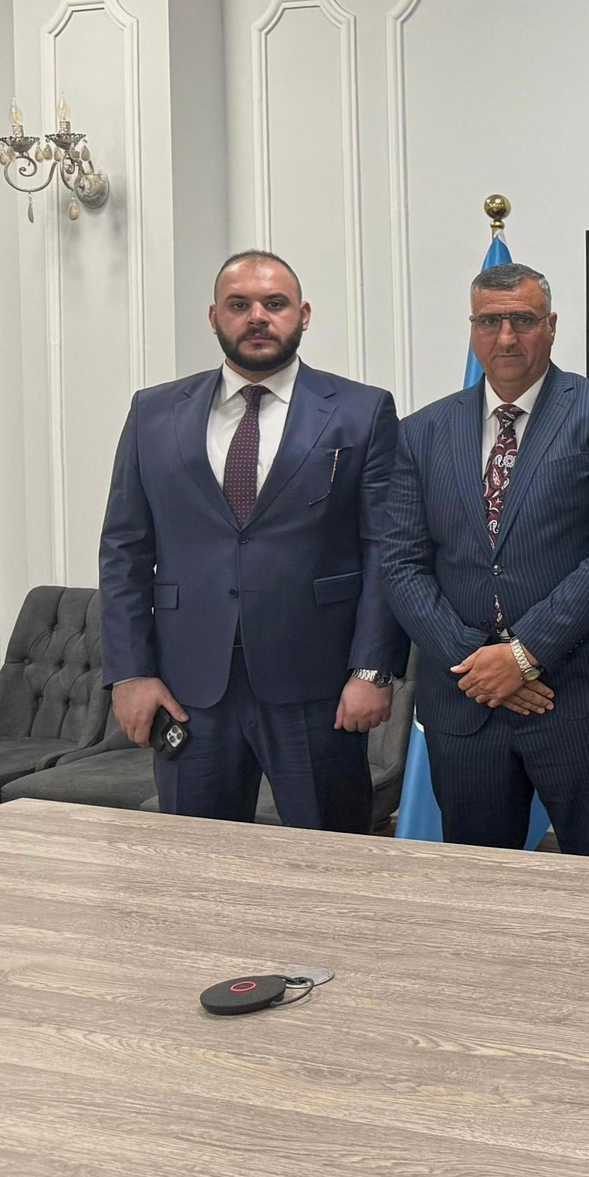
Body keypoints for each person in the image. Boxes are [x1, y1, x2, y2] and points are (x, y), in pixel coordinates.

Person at [99, 250, 409, 831]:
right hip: (189, 689)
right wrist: (130, 672)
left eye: (275, 303)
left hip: (318, 685)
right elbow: (124, 552)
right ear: (214, 316)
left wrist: (373, 671)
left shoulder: (362, 411)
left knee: (330, 863)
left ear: (303, 315)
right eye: (239, 305)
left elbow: (385, 552)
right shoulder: (153, 413)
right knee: (198, 863)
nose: (257, 317)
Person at [380, 262, 589, 858]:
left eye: (523, 320)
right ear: (472, 328)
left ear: (551, 325)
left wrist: (522, 655)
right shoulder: (421, 431)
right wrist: (479, 665)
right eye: (490, 321)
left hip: (582, 694)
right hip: (467, 700)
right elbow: (402, 563)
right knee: (481, 884)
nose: (506, 337)